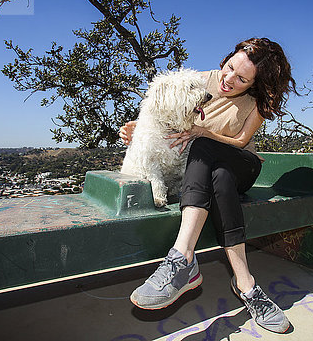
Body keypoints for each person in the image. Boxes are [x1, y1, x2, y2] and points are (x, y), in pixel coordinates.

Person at [118, 37, 296, 334]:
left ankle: (182, 259)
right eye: (229, 68)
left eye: (241, 79)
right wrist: (138, 127)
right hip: (214, 171)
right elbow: (164, 108)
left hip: (241, 163)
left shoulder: (259, 102)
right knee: (217, 175)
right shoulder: (200, 80)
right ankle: (247, 286)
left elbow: (240, 142)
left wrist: (202, 132)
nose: (228, 79)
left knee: (203, 146)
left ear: (256, 82)